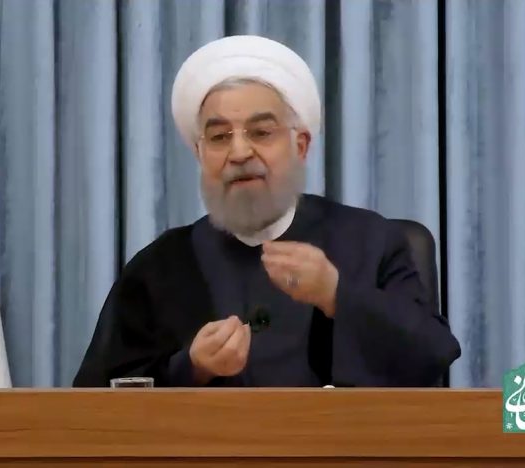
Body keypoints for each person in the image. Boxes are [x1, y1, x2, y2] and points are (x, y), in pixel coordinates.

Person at [72, 35, 461, 388]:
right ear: (200, 153)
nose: (239, 152)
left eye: (261, 132)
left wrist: (336, 294)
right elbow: (96, 400)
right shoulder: (160, 266)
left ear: (301, 146)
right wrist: (191, 368)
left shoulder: (371, 241)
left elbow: (431, 356)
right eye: (219, 137)